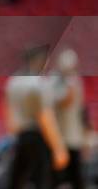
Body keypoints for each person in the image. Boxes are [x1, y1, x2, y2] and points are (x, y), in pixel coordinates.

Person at [3, 44, 69, 189]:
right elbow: (45, 117)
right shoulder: (39, 84)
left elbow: (8, 114)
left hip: (21, 136)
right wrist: (58, 147)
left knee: (16, 180)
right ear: (39, 61)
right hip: (38, 137)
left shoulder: (13, 81)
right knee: (42, 181)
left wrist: (16, 133)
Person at [50, 49, 87, 189]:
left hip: (74, 136)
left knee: (76, 177)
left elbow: (81, 110)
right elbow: (65, 101)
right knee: (55, 177)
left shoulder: (76, 81)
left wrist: (84, 136)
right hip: (58, 138)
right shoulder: (54, 80)